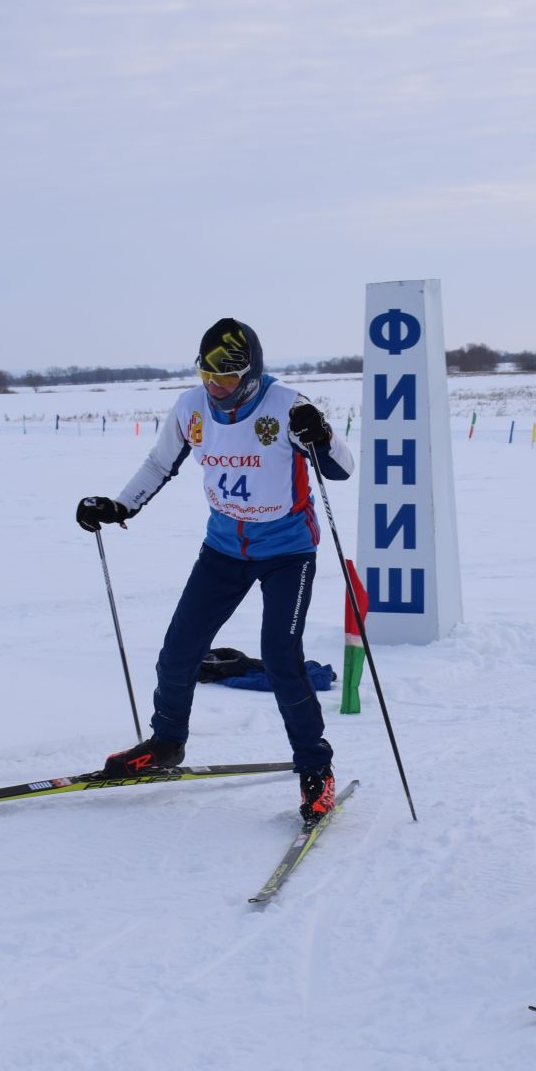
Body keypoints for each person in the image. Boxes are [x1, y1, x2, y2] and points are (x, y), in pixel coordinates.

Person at [75, 318, 356, 825]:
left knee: (280, 656)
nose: (215, 387)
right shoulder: (190, 408)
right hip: (224, 548)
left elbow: (340, 468)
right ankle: (165, 743)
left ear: (250, 375)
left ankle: (317, 769)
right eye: (207, 375)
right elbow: (160, 463)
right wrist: (120, 507)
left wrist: (322, 434)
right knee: (179, 648)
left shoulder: (286, 405)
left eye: (225, 378)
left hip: (287, 551)